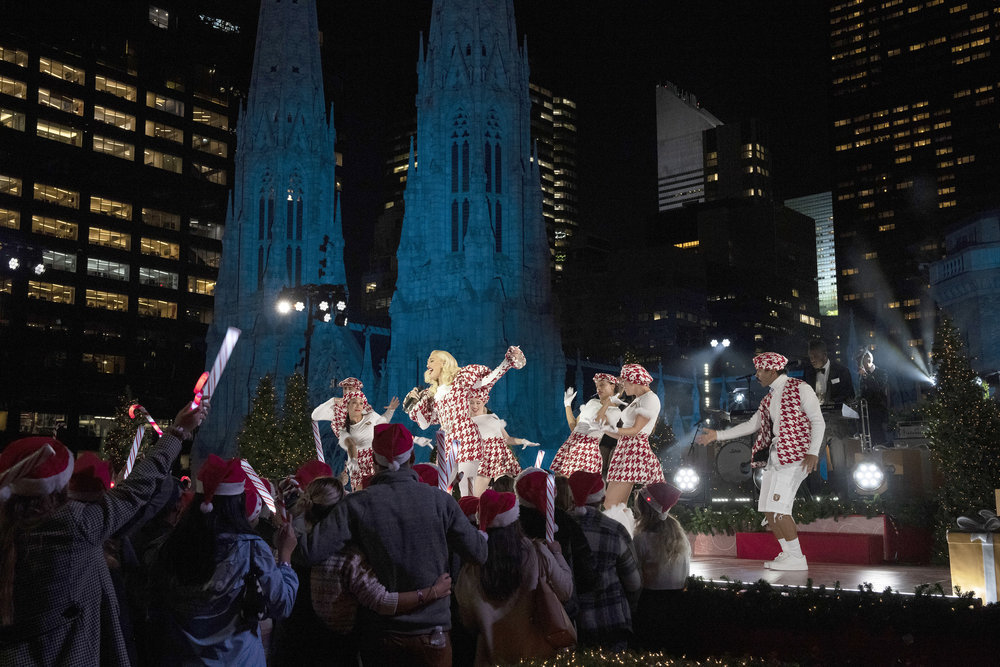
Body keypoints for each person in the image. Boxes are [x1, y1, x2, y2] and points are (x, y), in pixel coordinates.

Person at [0, 398, 206, 667]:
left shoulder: (11, 529)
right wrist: (177, 433)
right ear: (57, 487)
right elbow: (136, 490)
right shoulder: (72, 526)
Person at [295, 423, 488, 666]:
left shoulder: (357, 504)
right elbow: (479, 553)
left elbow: (307, 552)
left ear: (374, 462)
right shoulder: (440, 501)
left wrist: (296, 513)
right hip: (432, 633)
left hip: (380, 635)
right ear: (413, 458)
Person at [272, 476, 452, 666]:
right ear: (342, 511)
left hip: (290, 647)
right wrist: (432, 592)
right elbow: (381, 601)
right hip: (333, 651)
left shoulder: (288, 546)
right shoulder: (347, 557)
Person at [151, 454, 299, 665]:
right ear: (237, 503)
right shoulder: (251, 548)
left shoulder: (172, 543)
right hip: (237, 659)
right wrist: (285, 557)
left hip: (184, 657)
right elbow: (282, 604)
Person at [695, 352, 825, 571]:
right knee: (767, 508)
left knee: (779, 510)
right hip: (776, 458)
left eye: (760, 371)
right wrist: (718, 435)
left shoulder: (800, 388)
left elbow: (818, 421)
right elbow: (752, 424)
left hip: (796, 457)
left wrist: (813, 452)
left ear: (772, 371)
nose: (756, 375)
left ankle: (797, 557)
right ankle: (788, 553)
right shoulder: (769, 398)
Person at [454, 490, 573, 666]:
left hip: (493, 656)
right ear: (515, 522)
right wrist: (557, 554)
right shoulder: (538, 553)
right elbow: (566, 590)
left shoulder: (472, 567)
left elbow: (467, 620)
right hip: (537, 655)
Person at [405, 347, 526, 497]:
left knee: (467, 491)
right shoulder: (431, 394)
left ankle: (471, 511)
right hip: (447, 442)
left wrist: (506, 363)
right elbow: (424, 424)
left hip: (467, 438)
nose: (427, 364)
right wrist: (415, 405)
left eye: (431, 360)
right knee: (440, 488)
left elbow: (488, 380)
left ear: (443, 363)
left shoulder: (461, 380)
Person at [565, 470, 641, 651]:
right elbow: (633, 582)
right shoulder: (614, 530)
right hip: (610, 621)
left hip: (568, 625)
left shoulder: (557, 528)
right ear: (602, 498)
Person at [514, 469, 598, 625]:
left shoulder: (511, 522)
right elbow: (585, 566)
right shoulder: (564, 520)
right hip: (561, 608)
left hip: (517, 607)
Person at [631, 482, 690, 652]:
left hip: (651, 604)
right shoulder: (679, 536)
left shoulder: (642, 539)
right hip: (678, 602)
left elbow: (634, 576)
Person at [312, 378, 399, 491]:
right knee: (361, 490)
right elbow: (315, 416)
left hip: (373, 456)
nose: (347, 391)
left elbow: (382, 422)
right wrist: (333, 401)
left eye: (350, 388)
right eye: (345, 388)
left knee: (378, 487)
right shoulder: (337, 411)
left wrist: (390, 411)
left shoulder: (367, 411)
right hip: (355, 458)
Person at [602, 364, 665, 514]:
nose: (623, 386)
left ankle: (624, 527)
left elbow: (635, 431)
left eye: (625, 382)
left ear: (634, 381)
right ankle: (625, 527)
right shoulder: (639, 399)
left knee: (612, 504)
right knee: (614, 505)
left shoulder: (650, 399)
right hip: (626, 449)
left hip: (634, 451)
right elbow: (624, 434)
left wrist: (608, 428)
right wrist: (603, 428)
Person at [550, 373, 623, 477]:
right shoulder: (592, 402)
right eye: (597, 386)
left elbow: (598, 421)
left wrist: (608, 402)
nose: (598, 388)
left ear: (613, 386)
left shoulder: (615, 411)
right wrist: (567, 404)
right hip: (572, 444)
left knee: (573, 484)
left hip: (586, 450)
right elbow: (574, 427)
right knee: (559, 483)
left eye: (602, 385)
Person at [469, 386, 537, 491]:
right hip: (483, 459)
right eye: (471, 403)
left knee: (505, 490)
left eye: (478, 402)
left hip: (501, 458)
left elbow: (507, 439)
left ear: (483, 402)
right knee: (477, 496)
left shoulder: (493, 417)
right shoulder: (467, 422)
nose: (475, 406)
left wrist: (523, 441)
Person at [802, 339, 854, 407]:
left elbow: (850, 396)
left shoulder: (842, 371)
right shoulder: (808, 373)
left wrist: (833, 402)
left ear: (825, 355)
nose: (812, 360)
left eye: (815, 356)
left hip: (835, 412)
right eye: (810, 357)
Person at [857, 349, 891, 446]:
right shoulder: (862, 376)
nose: (860, 365)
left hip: (878, 414)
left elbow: (877, 388)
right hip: (865, 414)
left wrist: (865, 375)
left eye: (861, 362)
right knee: (868, 443)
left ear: (868, 360)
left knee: (880, 441)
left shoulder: (882, 373)